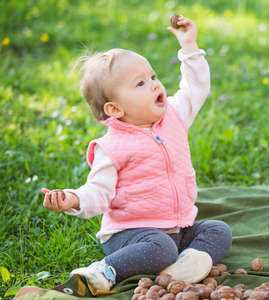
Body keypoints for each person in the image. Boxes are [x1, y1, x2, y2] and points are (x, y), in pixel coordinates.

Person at [41, 15, 232, 293]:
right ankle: (102, 271)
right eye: (140, 84)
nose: (155, 84)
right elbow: (98, 191)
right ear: (115, 109)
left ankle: (186, 263)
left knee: (218, 230)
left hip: (178, 228)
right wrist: (74, 199)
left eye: (153, 76)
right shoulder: (113, 147)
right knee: (161, 247)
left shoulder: (174, 116)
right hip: (131, 235)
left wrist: (189, 47)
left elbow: (196, 88)